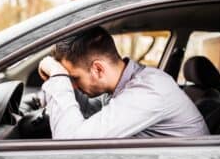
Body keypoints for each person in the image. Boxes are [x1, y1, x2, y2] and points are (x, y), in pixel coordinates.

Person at [38, 26, 209, 139]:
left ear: (98, 69)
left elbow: (68, 146)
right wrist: (57, 79)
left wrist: (58, 77)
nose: (73, 85)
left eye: (74, 78)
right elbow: (89, 108)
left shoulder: (148, 91)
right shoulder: (125, 85)